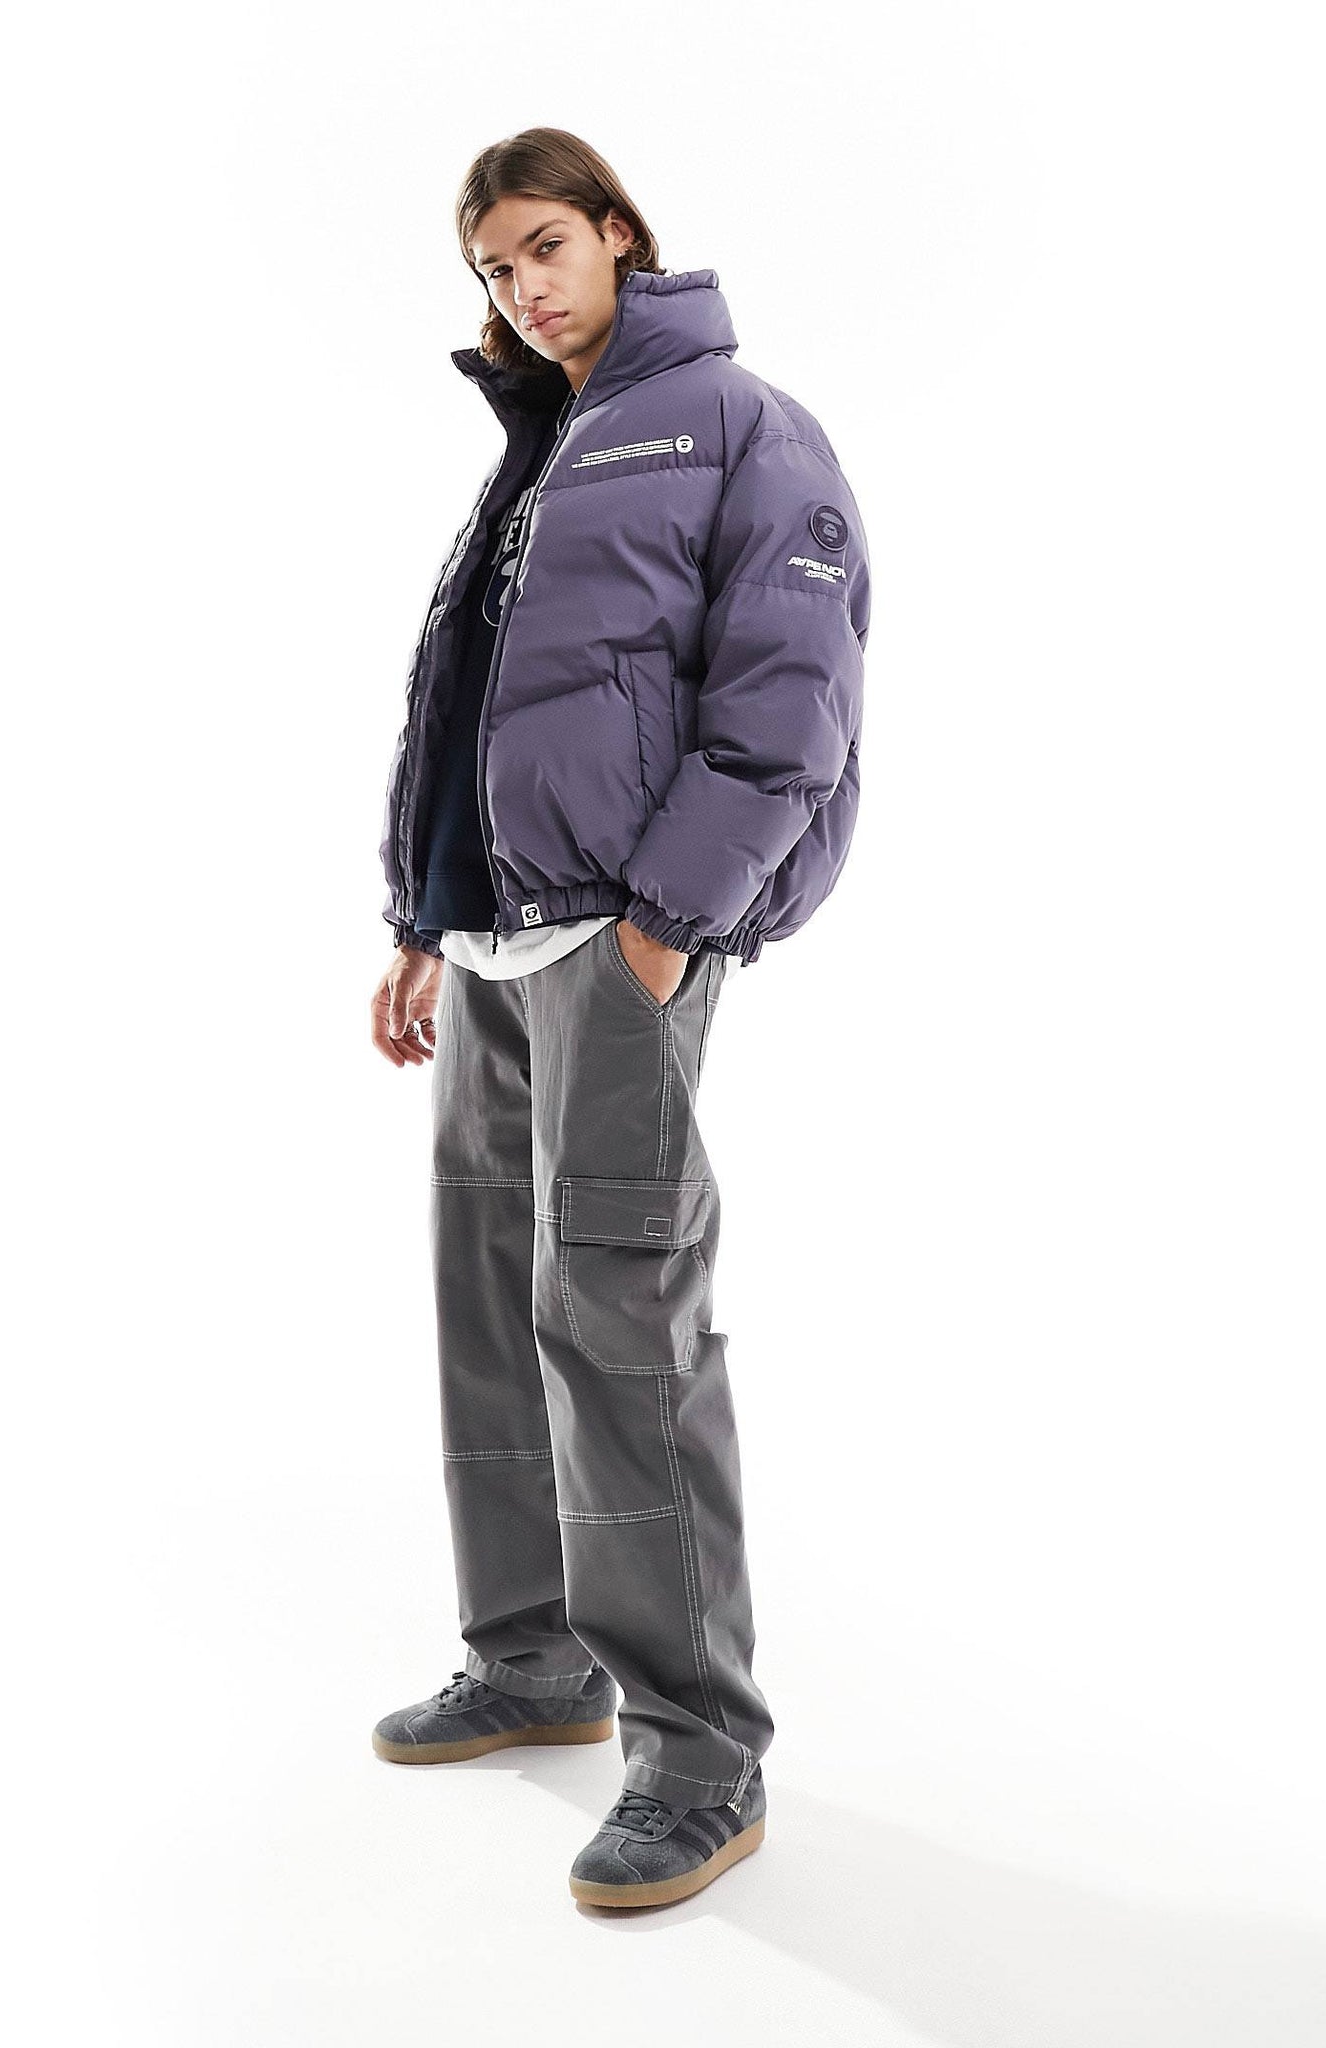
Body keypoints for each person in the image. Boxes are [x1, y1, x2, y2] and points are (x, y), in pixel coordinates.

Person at [368, 126, 870, 1911]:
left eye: (543, 247)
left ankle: (700, 1755)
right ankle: (531, 1657)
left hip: (622, 942)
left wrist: (671, 918)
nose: (521, 287)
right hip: (493, 946)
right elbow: (469, 706)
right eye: (492, 268)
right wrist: (420, 919)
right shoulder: (537, 447)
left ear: (617, 235)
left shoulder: (737, 423)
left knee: (619, 1317)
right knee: (491, 1312)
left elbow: (791, 696)